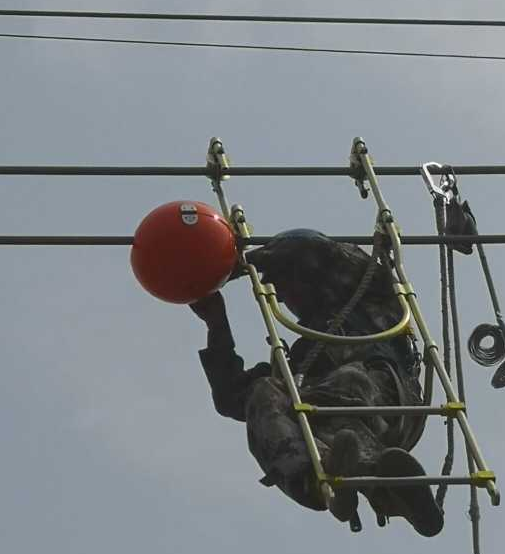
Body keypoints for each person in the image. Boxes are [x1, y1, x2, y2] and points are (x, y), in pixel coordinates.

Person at [190, 229, 444, 536]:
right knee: (263, 393)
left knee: (350, 378)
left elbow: (321, 252)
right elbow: (231, 396)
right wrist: (217, 323)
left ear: (311, 277)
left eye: (285, 283)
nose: (281, 297)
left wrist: (245, 262)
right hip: (330, 428)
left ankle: (374, 477)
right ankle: (324, 481)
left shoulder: (373, 302)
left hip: (388, 402)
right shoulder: (301, 360)